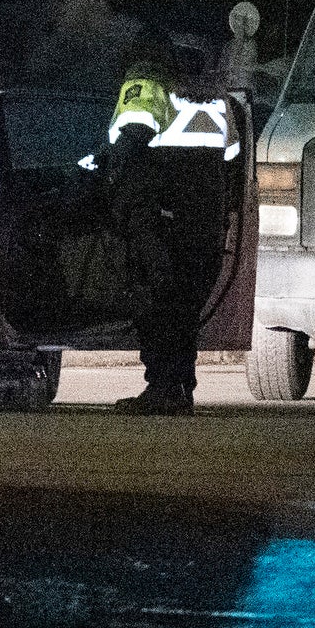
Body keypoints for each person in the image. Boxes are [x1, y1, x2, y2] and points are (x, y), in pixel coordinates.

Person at [100, 39, 237, 416]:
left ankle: (162, 387)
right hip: (204, 222)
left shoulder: (146, 86)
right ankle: (179, 390)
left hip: (161, 218)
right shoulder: (215, 100)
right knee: (185, 310)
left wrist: (107, 182)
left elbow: (131, 140)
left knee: (156, 304)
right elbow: (232, 161)